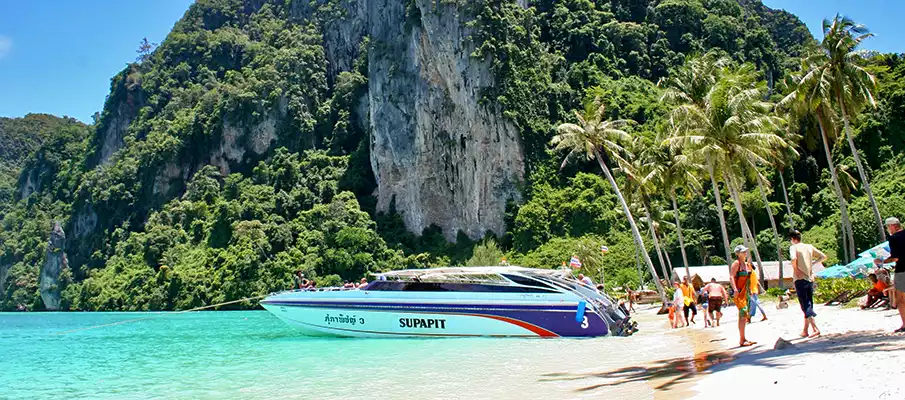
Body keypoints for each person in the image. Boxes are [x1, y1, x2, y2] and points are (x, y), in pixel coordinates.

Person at [790, 230, 827, 338]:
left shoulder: (794, 248)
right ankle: (805, 330)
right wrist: (813, 264)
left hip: (800, 278)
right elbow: (823, 256)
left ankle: (815, 329)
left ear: (792, 239)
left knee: (805, 304)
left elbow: (793, 259)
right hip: (810, 278)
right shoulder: (809, 246)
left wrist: (796, 270)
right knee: (808, 303)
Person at [875, 217, 905, 333]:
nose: (888, 229)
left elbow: (895, 257)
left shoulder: (894, 238)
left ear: (892, 226)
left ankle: (904, 325)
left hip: (902, 270)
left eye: (887, 227)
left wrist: (881, 262)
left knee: (900, 299)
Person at [730, 245, 756, 347]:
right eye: (743, 252)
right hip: (739, 293)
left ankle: (744, 338)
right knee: (743, 313)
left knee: (745, 315)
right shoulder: (736, 264)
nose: (745, 253)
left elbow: (752, 278)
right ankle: (742, 339)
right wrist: (735, 289)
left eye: (745, 251)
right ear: (737, 254)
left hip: (746, 293)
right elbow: (731, 277)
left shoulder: (747, 264)